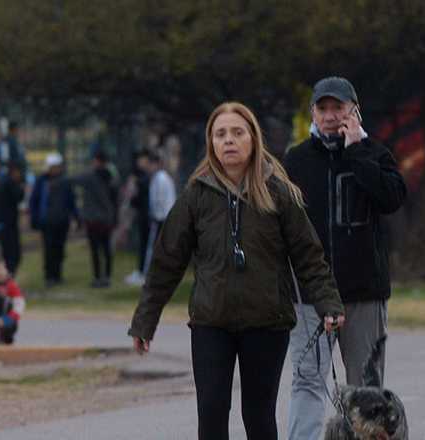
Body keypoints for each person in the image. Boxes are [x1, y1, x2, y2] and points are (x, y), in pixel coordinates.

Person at [129, 102, 345, 440]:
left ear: (253, 139)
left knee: (258, 415)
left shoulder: (278, 191)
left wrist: (328, 303)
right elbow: (165, 263)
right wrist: (145, 320)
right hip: (211, 323)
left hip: (267, 322)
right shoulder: (196, 195)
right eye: (220, 134)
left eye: (237, 132)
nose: (229, 140)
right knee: (212, 413)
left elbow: (308, 256)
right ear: (211, 143)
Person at [283, 77, 407, 440]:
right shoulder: (296, 160)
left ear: (354, 111)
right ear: (312, 114)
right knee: (307, 380)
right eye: (323, 109)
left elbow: (391, 199)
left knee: (365, 387)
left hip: (364, 293)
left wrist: (357, 151)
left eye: (338, 108)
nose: (330, 116)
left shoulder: (376, 154)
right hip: (310, 297)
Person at [29, 153, 77, 287]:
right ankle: (49, 276)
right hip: (47, 222)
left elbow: (71, 201)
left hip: (62, 221)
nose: (55, 169)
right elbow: (34, 201)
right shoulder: (41, 181)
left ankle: (58, 274)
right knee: (48, 249)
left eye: (57, 167)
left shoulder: (65, 182)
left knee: (59, 249)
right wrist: (34, 220)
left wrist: (76, 217)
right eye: (53, 167)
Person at [75, 150, 118, 288]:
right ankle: (107, 276)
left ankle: (98, 277)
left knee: (95, 249)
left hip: (94, 219)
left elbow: (77, 180)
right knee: (106, 249)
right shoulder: (112, 176)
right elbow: (115, 198)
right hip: (106, 219)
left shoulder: (90, 177)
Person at [143, 149, 176, 276]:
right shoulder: (159, 177)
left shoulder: (161, 178)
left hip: (162, 219)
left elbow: (160, 201)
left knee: (158, 249)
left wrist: (156, 216)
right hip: (161, 218)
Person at [124, 150, 153, 287]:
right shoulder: (140, 177)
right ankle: (141, 270)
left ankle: (146, 273)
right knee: (143, 245)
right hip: (142, 216)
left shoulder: (150, 178)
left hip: (149, 217)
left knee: (148, 246)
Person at [0, 161, 26, 277]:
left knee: (9, 250)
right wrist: (22, 187)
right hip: (8, 222)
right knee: (12, 252)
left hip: (4, 221)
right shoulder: (9, 182)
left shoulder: (2, 181)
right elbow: (19, 196)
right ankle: (9, 274)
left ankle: (8, 273)